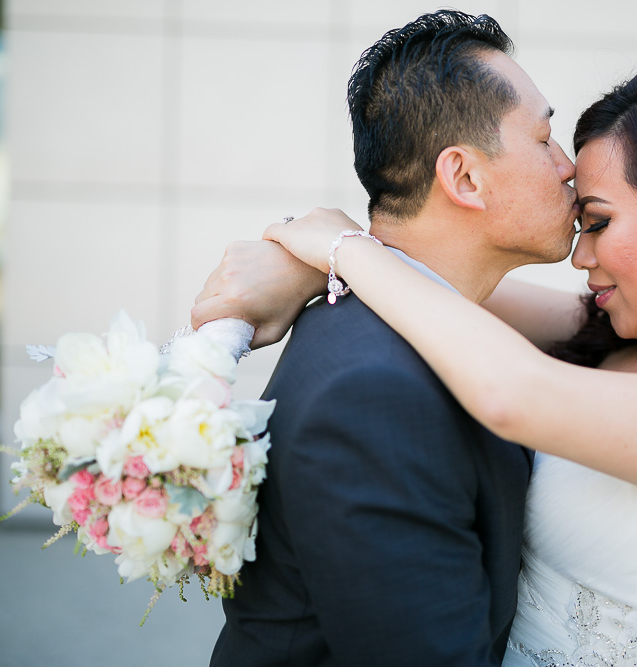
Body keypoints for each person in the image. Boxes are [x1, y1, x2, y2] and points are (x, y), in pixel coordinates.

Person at [195, 53, 637, 666]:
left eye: (597, 222)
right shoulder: (624, 335)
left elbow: (514, 391)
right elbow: (451, 283)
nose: (581, 255)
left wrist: (338, 247)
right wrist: (302, 265)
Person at [205, 11, 581, 666]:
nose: (569, 167)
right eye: (546, 138)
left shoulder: (404, 315)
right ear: (464, 177)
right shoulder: (372, 397)